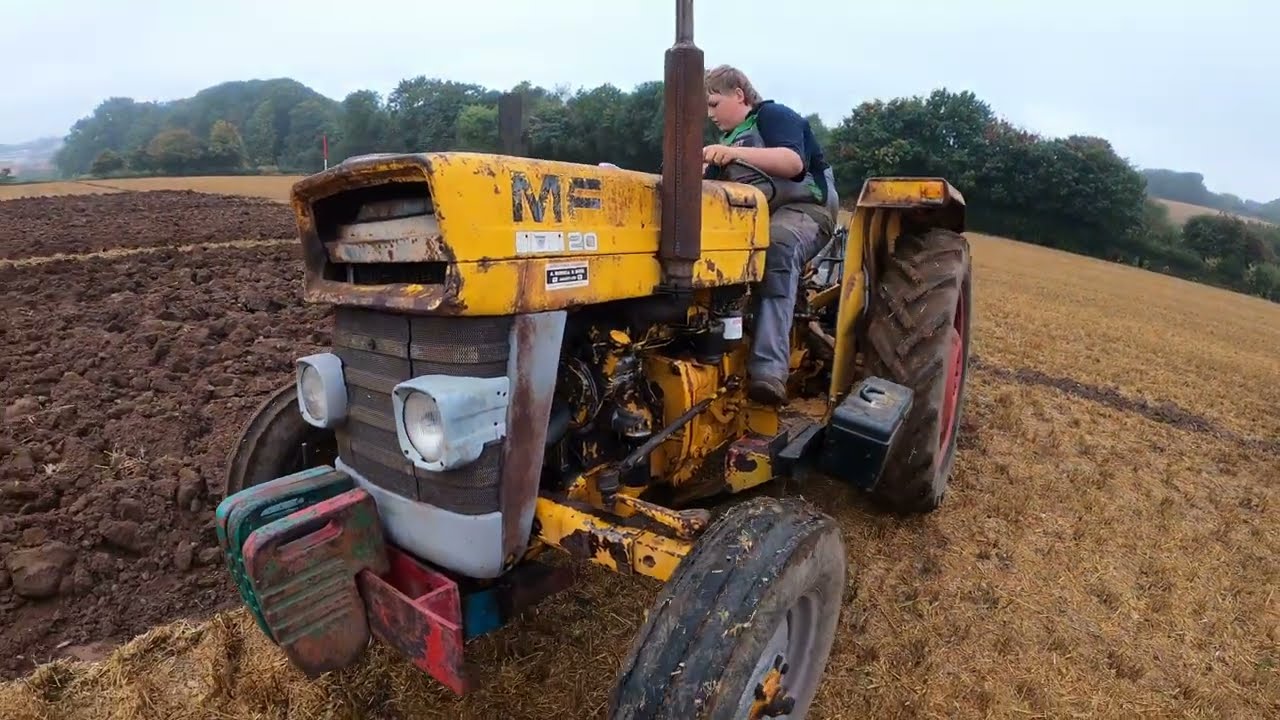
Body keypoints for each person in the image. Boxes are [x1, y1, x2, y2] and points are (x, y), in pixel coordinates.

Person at [702, 64, 839, 406]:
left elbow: (792, 163)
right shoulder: (727, 143)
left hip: (806, 210)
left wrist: (733, 153)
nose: (710, 114)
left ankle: (768, 370)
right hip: (753, 219)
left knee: (777, 245)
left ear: (739, 94)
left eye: (714, 103)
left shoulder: (773, 116)